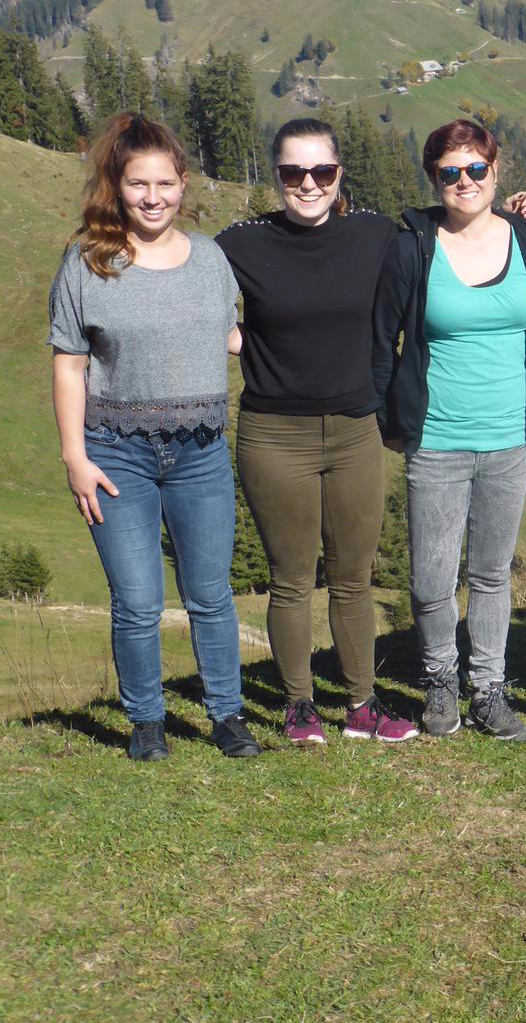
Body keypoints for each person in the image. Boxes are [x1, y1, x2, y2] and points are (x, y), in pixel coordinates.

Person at [48, 112, 258, 761]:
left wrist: (313, 342)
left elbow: (229, 338)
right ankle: (147, 723)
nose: (153, 197)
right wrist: (75, 457)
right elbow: (69, 362)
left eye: (164, 184)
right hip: (116, 454)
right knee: (137, 601)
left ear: (183, 183)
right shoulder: (90, 261)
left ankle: (227, 717)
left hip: (199, 453)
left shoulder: (211, 259)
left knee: (210, 595)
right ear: (118, 185)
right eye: (139, 184)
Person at [216, 118, 416, 745]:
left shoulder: (375, 233)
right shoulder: (239, 243)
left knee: (354, 576)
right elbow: (188, 288)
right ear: (276, 175)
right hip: (274, 434)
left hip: (356, 429)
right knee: (292, 577)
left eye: (320, 171)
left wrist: (524, 220)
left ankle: (362, 703)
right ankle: (300, 706)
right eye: (292, 172)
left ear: (339, 175)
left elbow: (449, 234)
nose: (307, 184)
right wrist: (235, 342)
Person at [373, 118, 526, 741]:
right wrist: (390, 421)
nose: (464, 181)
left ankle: (489, 688)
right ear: (434, 179)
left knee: (490, 575)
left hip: (510, 439)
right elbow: (382, 338)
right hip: (437, 439)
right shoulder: (413, 246)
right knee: (431, 578)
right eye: (450, 172)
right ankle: (440, 682)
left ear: (495, 171)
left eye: (476, 168)